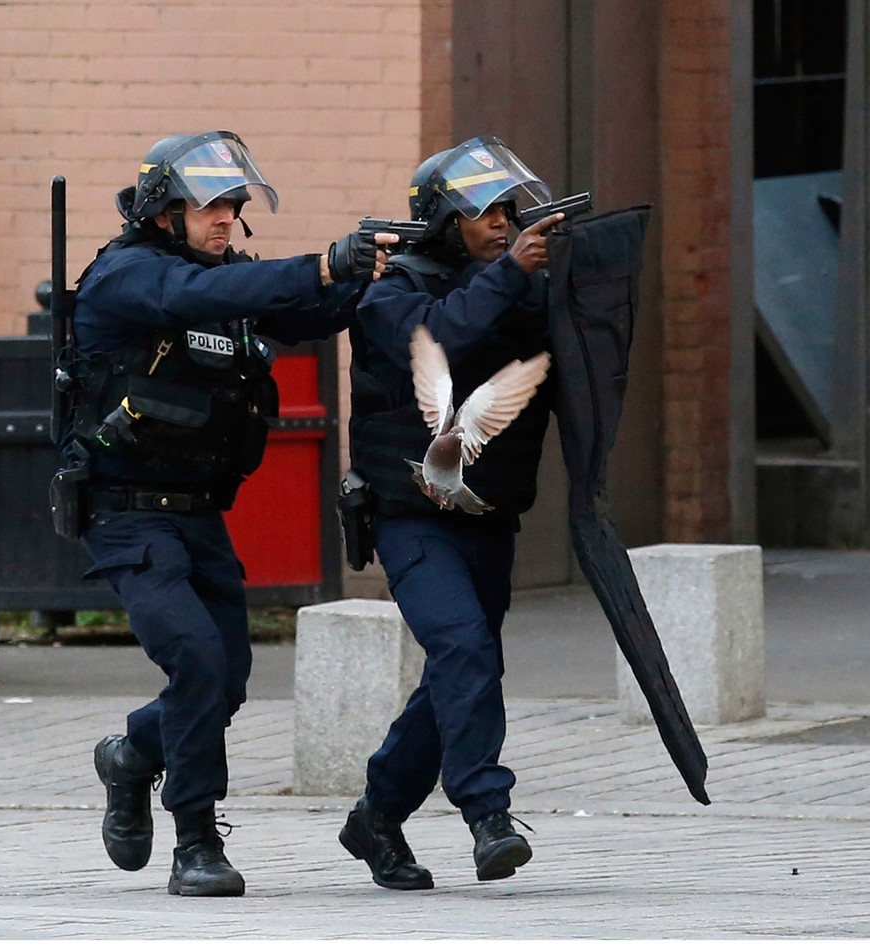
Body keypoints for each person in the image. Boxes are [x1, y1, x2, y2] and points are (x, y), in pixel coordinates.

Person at [66, 133, 378, 896]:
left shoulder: (226, 278)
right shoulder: (126, 275)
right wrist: (318, 264)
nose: (225, 218)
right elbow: (193, 299)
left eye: (233, 205)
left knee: (228, 677)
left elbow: (301, 312)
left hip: (199, 513)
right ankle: (196, 841)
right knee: (198, 659)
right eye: (209, 205)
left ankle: (133, 755)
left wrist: (372, 271)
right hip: (127, 515)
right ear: (164, 211)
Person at [338, 138, 565, 892]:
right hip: (412, 516)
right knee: (464, 650)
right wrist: (512, 274)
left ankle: (376, 815)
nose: (504, 224)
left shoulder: (506, 282)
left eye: (509, 210)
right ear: (444, 220)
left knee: (460, 672)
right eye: (486, 212)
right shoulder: (388, 293)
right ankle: (487, 815)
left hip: (487, 515)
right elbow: (442, 341)